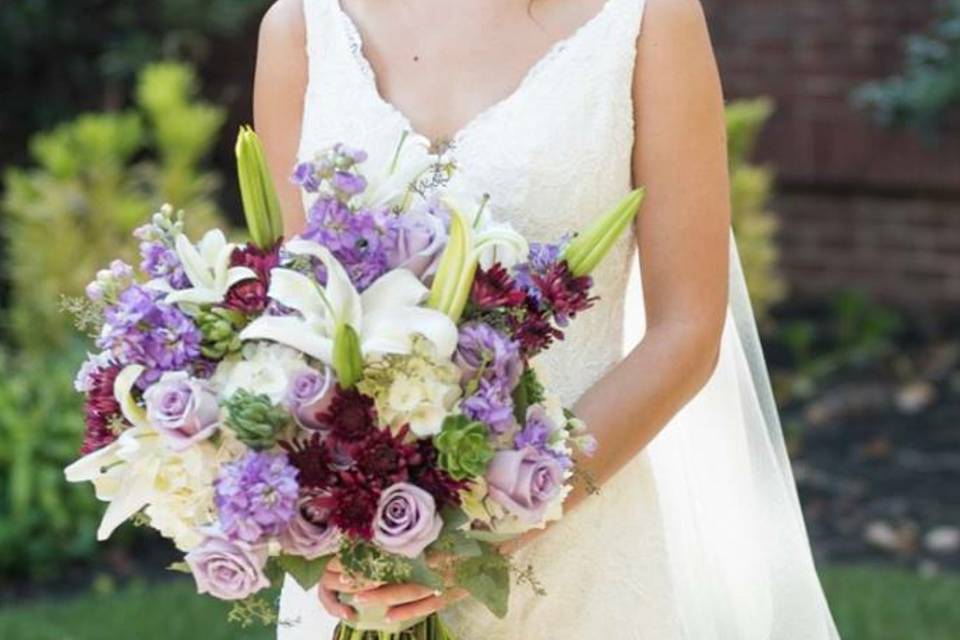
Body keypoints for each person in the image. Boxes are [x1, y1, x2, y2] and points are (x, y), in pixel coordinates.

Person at [254, 0, 841, 637]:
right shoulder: (300, 29)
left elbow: (688, 331)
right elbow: (300, 311)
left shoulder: (647, 20)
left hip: (576, 552)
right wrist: (320, 523)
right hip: (361, 568)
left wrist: (493, 530)